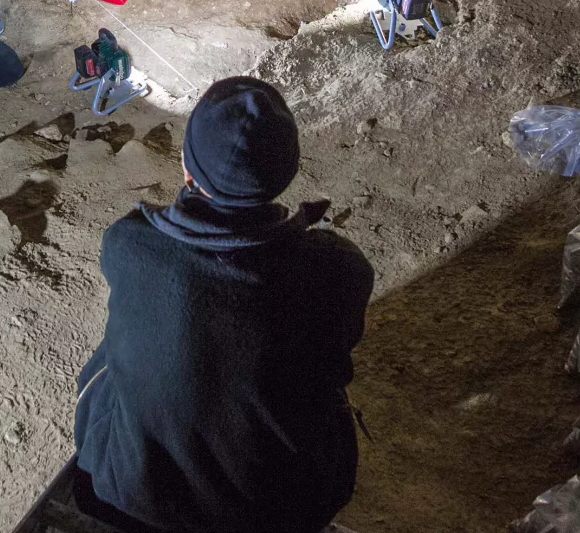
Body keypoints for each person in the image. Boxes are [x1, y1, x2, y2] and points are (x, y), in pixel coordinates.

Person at [71, 77, 374, 533]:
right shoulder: (337, 268)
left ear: (187, 167)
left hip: (131, 490)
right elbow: (333, 359)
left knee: (114, 355)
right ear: (286, 171)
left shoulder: (128, 244)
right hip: (282, 509)